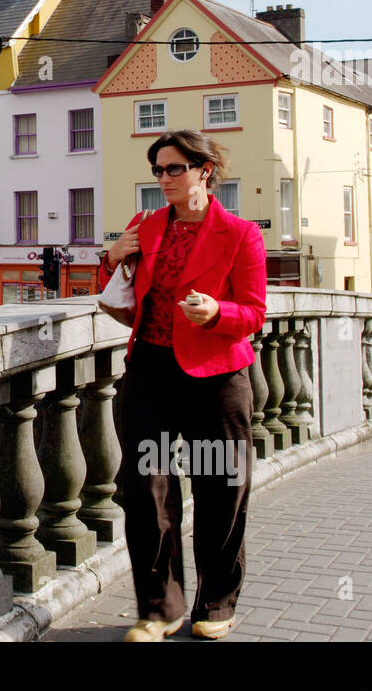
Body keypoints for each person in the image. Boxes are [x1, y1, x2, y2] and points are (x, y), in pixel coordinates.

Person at [101, 130, 267, 642]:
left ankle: (215, 604)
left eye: (175, 168)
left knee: (220, 491)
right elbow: (116, 291)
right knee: (146, 489)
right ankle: (159, 608)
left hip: (215, 378)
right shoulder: (144, 227)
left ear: (205, 171)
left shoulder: (241, 234)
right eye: (158, 170)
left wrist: (218, 312)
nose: (164, 179)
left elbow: (255, 312)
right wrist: (111, 256)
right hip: (150, 371)